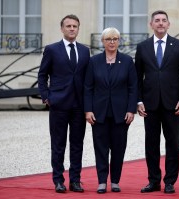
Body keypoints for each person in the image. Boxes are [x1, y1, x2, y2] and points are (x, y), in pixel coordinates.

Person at [135, 10, 179, 194]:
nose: (160, 23)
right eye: (157, 21)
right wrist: (138, 101)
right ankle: (153, 181)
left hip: (172, 104)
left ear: (168, 24)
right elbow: (137, 77)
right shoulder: (142, 47)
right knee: (151, 144)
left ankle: (169, 181)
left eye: (163, 20)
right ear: (151, 24)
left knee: (172, 143)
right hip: (149, 104)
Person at [38, 14, 90, 193]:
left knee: (77, 144)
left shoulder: (85, 50)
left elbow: (87, 78)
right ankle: (58, 180)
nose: (71, 29)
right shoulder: (52, 49)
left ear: (78, 28)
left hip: (79, 105)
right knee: (58, 144)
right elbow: (42, 75)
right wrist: (46, 96)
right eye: (68, 26)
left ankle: (75, 180)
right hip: (58, 104)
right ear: (62, 28)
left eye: (75, 26)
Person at [84, 27, 138, 194]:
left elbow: (133, 88)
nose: (112, 42)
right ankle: (101, 181)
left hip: (121, 114)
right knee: (100, 148)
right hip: (98, 113)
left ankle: (115, 181)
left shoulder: (127, 61)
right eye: (108, 39)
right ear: (103, 42)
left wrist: (131, 110)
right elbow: (88, 88)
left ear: (119, 41)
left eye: (115, 39)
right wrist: (88, 110)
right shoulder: (94, 61)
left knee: (118, 148)